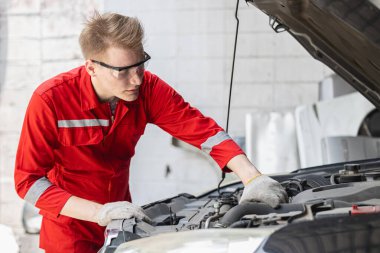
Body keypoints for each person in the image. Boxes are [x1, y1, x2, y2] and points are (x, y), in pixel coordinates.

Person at [14, 12, 287, 253]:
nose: (136, 80)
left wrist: (252, 177)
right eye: (122, 71)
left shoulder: (148, 89)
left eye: (140, 65)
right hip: (70, 230)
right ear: (91, 67)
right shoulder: (51, 100)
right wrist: (98, 212)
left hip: (122, 219)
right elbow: (27, 182)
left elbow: (202, 130)